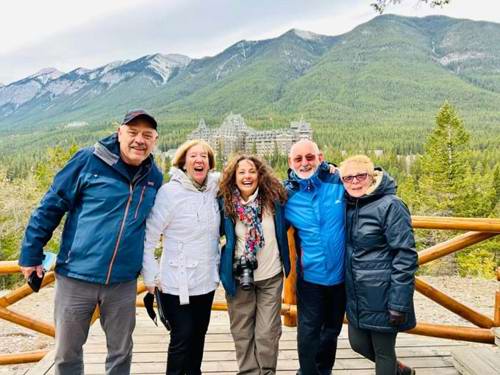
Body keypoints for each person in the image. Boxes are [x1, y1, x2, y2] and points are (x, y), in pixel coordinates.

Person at [18, 109, 163, 375]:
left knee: (121, 353)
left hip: (123, 282)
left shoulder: (154, 176)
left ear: (154, 140)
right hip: (77, 276)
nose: (139, 140)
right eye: (132, 132)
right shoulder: (88, 160)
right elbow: (50, 206)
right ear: (119, 133)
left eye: (147, 135)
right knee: (67, 353)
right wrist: (30, 254)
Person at [142, 139, 220, 375]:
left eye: (204, 156)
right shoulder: (169, 193)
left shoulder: (214, 187)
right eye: (193, 155)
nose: (199, 160)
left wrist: (327, 168)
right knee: (182, 337)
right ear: (183, 162)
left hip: (205, 281)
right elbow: (150, 237)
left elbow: (247, 175)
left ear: (210, 164)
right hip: (175, 283)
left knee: (198, 335)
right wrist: (151, 276)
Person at [339, 155, 418, 375]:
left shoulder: (391, 205)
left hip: (384, 294)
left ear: (372, 176)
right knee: (358, 343)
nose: (354, 181)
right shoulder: (349, 205)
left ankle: (394, 370)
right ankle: (401, 372)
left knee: (383, 351)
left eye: (360, 176)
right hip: (357, 295)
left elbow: (406, 255)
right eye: (348, 178)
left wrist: (398, 302)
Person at [218, 154, 291, 375]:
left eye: (252, 171)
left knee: (267, 332)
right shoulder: (224, 202)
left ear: (260, 175)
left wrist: (330, 170)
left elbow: (301, 183)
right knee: (242, 331)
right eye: (241, 172)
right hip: (239, 277)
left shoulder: (275, 198)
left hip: (271, 276)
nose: (247, 176)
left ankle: (267, 372)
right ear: (233, 177)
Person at [284, 139, 346, 375]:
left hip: (340, 277)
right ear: (291, 163)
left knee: (331, 331)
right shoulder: (286, 194)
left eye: (309, 157)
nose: (304, 163)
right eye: (298, 159)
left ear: (320, 158)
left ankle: (325, 371)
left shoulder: (340, 182)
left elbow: (375, 184)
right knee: (308, 333)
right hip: (310, 277)